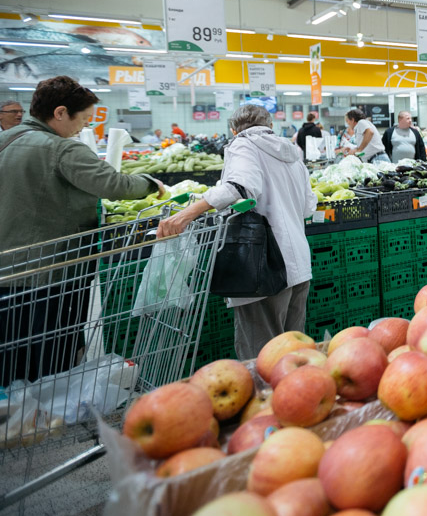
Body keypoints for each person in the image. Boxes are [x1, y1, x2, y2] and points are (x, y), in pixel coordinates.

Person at [0, 76, 166, 384]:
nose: (83, 129)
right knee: (52, 356)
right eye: (84, 120)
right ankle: (49, 416)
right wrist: (149, 184)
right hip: (51, 270)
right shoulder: (61, 149)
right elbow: (113, 184)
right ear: (61, 113)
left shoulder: (5, 141)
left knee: (13, 353)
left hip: (7, 269)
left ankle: (16, 415)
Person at [157, 104, 316, 360]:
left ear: (233, 130)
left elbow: (239, 187)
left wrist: (187, 213)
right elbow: (309, 206)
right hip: (298, 265)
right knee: (293, 356)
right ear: (270, 126)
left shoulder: (243, 144)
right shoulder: (292, 154)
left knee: (260, 359)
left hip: (264, 268)